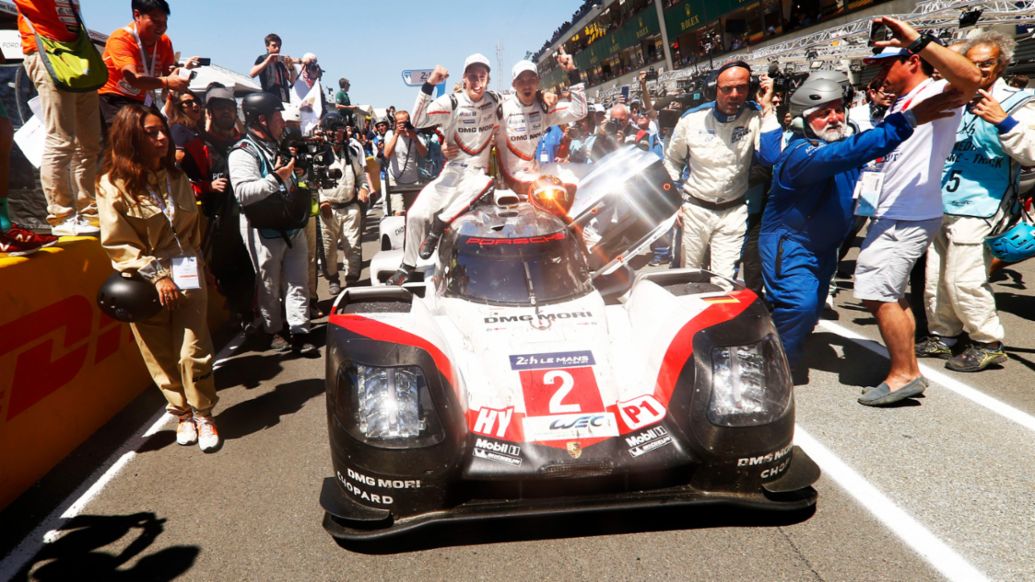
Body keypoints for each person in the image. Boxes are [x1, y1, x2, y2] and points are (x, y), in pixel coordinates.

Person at [761, 72, 958, 381]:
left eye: (839, 109)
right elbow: (843, 154)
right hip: (791, 245)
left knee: (811, 310)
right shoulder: (800, 155)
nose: (835, 118)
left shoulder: (841, 143)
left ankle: (781, 346)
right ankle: (775, 365)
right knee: (798, 305)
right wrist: (908, 120)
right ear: (802, 120)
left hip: (825, 247)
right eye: (823, 113)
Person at [852, 16, 982, 406]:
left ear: (911, 60)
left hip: (908, 213)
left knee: (876, 292)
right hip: (896, 210)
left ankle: (904, 373)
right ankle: (905, 368)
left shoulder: (939, 89)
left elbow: (972, 78)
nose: (879, 74)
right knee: (886, 292)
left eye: (886, 63)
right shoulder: (907, 100)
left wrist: (918, 38)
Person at [96, 104, 220, 452]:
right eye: (152, 133)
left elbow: (192, 231)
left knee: (193, 349)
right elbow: (118, 242)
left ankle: (204, 413)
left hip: (187, 271)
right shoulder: (111, 186)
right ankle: (181, 414)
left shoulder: (176, 177)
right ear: (131, 137)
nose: (163, 137)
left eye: (162, 129)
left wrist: (202, 265)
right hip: (143, 281)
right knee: (160, 353)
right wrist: (156, 275)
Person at [918, 28, 1035, 372]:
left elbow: (1031, 153)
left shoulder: (1020, 102)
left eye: (987, 64)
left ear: (1002, 65)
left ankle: (987, 341)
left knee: (963, 278)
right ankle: (944, 335)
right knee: (936, 276)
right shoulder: (952, 99)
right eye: (972, 63)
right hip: (942, 200)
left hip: (985, 202)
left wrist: (1003, 121)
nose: (980, 70)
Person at [388, 54, 500, 285]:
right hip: (453, 171)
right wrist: (430, 84)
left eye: (482, 76)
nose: (477, 81)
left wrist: (544, 95)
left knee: (485, 182)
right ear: (464, 79)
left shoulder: (496, 99)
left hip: (478, 174)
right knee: (416, 214)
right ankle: (407, 265)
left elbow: (523, 102)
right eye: (472, 76)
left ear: (488, 79)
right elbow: (417, 121)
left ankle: (439, 225)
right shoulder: (453, 102)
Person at [663, 60, 780, 280]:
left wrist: (767, 109)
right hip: (694, 209)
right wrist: (674, 202)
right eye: (727, 89)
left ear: (751, 89)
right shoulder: (691, 119)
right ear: (714, 89)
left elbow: (770, 156)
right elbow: (672, 161)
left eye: (741, 88)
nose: (734, 94)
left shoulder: (756, 117)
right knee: (687, 275)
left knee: (724, 281)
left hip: (733, 212)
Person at [228, 92, 317, 356]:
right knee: (268, 282)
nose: (282, 121)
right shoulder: (242, 152)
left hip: (291, 224)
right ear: (261, 120)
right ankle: (274, 329)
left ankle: (300, 330)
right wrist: (277, 179)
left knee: (297, 280)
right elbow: (243, 192)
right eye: (277, 116)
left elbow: (286, 179)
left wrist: (296, 176)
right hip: (262, 228)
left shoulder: (277, 146)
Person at [14, 0, 103, 237]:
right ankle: (61, 215)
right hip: (45, 51)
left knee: (90, 143)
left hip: (78, 54)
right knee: (61, 139)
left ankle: (89, 210)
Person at [197, 86, 255, 331]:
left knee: (253, 270)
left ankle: (252, 316)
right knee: (226, 273)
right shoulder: (199, 145)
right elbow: (185, 181)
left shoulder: (245, 144)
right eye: (220, 108)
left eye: (230, 108)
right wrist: (207, 186)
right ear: (209, 112)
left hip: (250, 219)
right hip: (220, 225)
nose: (226, 113)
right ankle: (239, 314)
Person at [98, 0, 197, 130]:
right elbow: (133, 78)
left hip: (143, 100)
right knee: (128, 136)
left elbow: (168, 74)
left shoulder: (165, 42)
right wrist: (167, 81)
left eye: (165, 22)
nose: (162, 27)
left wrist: (179, 75)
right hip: (113, 97)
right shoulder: (121, 38)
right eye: (156, 21)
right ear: (137, 15)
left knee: (163, 133)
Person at [497, 56, 587, 195]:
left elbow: (579, 112)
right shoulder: (502, 109)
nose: (526, 85)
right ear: (513, 84)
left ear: (538, 82)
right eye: (521, 80)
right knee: (564, 187)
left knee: (587, 172)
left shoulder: (544, 109)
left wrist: (572, 72)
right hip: (513, 178)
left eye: (531, 79)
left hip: (536, 169)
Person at [318, 113, 371, 296]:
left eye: (341, 130)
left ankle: (351, 279)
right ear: (326, 132)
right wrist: (321, 200)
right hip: (328, 210)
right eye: (335, 130)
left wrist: (363, 188)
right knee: (328, 249)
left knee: (353, 245)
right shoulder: (317, 154)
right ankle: (333, 278)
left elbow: (361, 177)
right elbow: (311, 183)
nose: (339, 134)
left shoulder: (352, 152)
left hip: (350, 207)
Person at [383, 110, 428, 214]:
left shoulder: (417, 134)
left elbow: (424, 153)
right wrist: (396, 134)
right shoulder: (390, 134)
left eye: (405, 122)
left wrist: (414, 137)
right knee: (399, 212)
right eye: (399, 123)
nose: (403, 125)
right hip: (395, 178)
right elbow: (386, 154)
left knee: (413, 213)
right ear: (395, 123)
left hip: (413, 180)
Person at [250, 33, 295, 104]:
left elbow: (292, 81)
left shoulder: (281, 63)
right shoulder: (262, 58)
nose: (277, 48)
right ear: (267, 46)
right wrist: (268, 61)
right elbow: (252, 74)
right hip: (269, 96)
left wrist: (291, 68)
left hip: (283, 97)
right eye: (274, 46)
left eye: (279, 46)